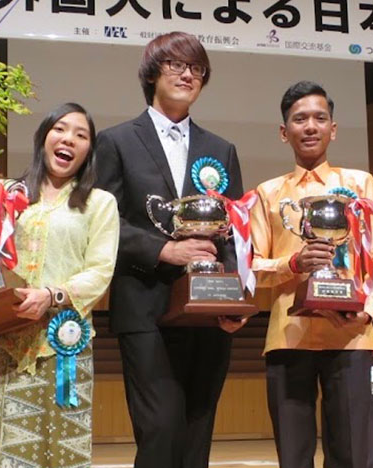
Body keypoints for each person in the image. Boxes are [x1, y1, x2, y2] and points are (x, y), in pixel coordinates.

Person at [0, 103, 120, 468]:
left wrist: (51, 296)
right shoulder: (4, 193)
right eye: (61, 129)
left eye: (81, 135)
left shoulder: (99, 204)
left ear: (89, 151)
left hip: (63, 343)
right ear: (43, 138)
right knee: (4, 451)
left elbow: (100, 270)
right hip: (0, 344)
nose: (69, 139)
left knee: (64, 451)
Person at [94, 32, 246, 468]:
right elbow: (104, 224)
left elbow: (232, 232)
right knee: (160, 430)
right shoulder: (117, 141)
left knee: (198, 431)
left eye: (196, 68)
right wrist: (164, 251)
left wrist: (233, 296)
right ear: (151, 74)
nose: (187, 74)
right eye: (175, 65)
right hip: (145, 307)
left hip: (208, 310)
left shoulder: (221, 150)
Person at [249, 81, 373, 468]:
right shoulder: (267, 193)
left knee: (351, 454)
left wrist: (368, 309)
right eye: (300, 119)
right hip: (288, 336)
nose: (310, 126)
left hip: (351, 333)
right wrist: (293, 264)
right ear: (285, 132)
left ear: (333, 128)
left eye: (319, 118)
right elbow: (253, 267)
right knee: (293, 456)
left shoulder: (359, 184)